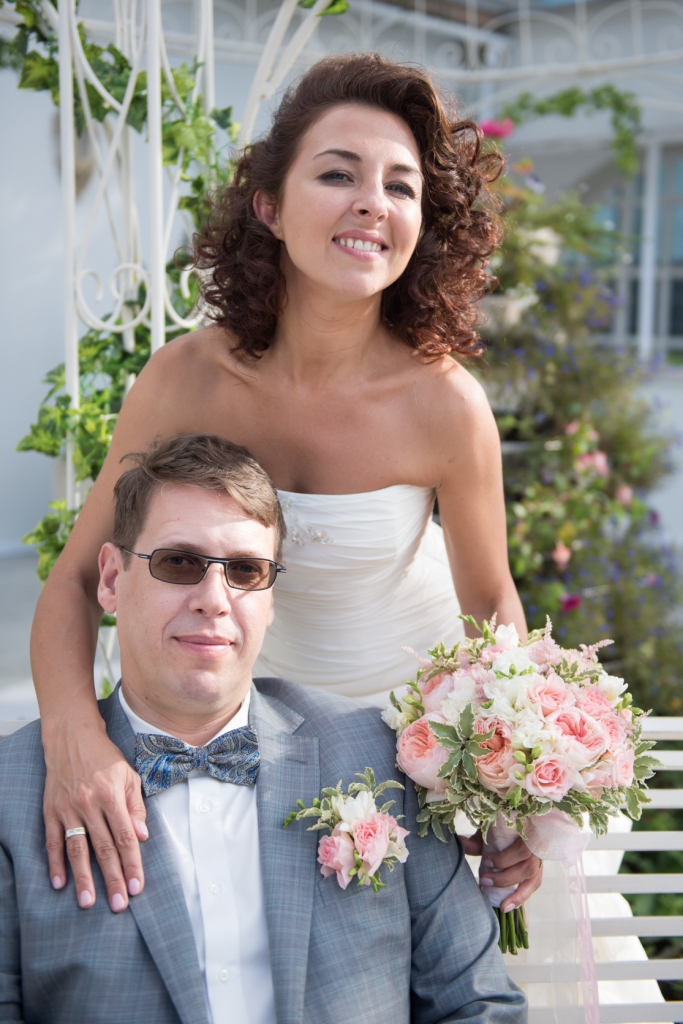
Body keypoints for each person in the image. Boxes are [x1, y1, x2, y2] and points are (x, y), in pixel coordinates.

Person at [30, 53, 543, 914]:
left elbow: (491, 605)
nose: (371, 202)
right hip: (243, 733)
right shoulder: (184, 380)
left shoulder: (446, 406)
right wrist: (74, 734)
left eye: (400, 186)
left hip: (410, 743)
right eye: (338, 173)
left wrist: (499, 781)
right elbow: (79, 581)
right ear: (267, 206)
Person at [0, 433, 527, 1024]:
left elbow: (478, 1003)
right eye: (179, 562)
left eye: (245, 570)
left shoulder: (381, 759)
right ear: (111, 579)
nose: (214, 599)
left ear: (270, 598)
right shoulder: (11, 792)